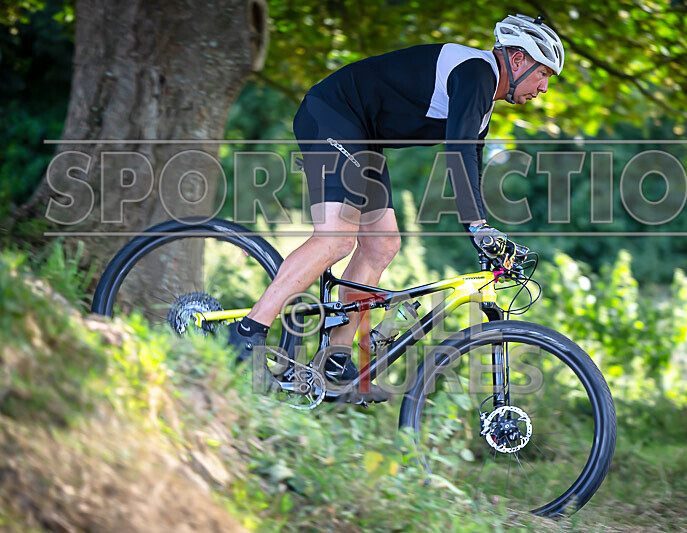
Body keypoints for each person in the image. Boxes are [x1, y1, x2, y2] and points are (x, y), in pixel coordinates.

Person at [227, 14, 564, 402]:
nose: (543, 87)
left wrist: (482, 229)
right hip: (333, 115)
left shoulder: (482, 98)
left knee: (382, 245)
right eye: (543, 73)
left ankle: (334, 360)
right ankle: (247, 334)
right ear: (518, 60)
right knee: (336, 240)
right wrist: (476, 227)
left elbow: (469, 160)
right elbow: (455, 154)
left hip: (361, 135)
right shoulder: (477, 73)